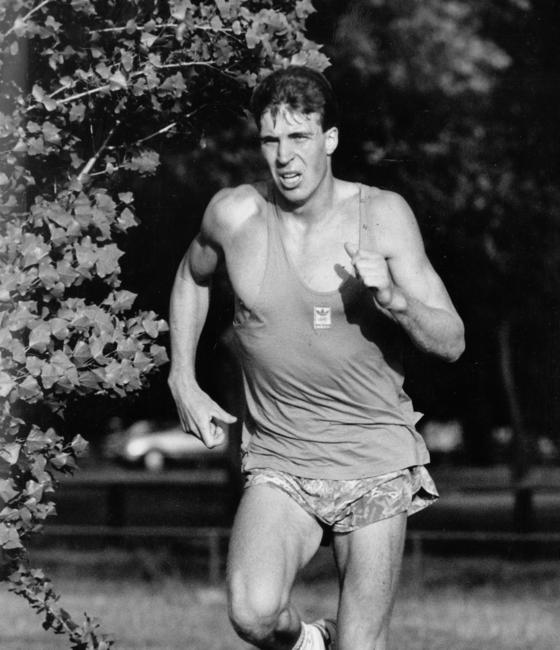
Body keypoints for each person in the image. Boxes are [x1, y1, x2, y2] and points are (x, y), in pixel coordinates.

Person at [168, 66, 465, 650]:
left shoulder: (382, 216)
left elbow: (452, 339)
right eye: (271, 140)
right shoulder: (235, 216)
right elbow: (190, 276)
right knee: (253, 614)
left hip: (373, 457)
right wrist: (183, 375)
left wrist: (396, 301)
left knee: (362, 644)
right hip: (281, 456)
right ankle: (308, 641)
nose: (284, 157)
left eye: (299, 137)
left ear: (329, 139)